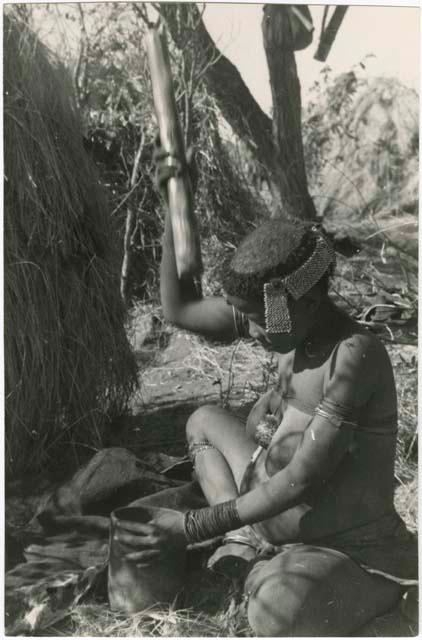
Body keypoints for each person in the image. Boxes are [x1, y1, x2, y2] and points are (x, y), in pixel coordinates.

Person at [115, 150, 417, 636]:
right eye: (246, 315)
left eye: (257, 318)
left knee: (277, 611)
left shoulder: (352, 356)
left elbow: (299, 480)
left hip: (346, 546)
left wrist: (194, 526)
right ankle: (243, 538)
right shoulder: (282, 318)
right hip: (265, 511)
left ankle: (276, 566)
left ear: (309, 301)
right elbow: (180, 308)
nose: (250, 330)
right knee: (204, 421)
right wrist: (174, 206)